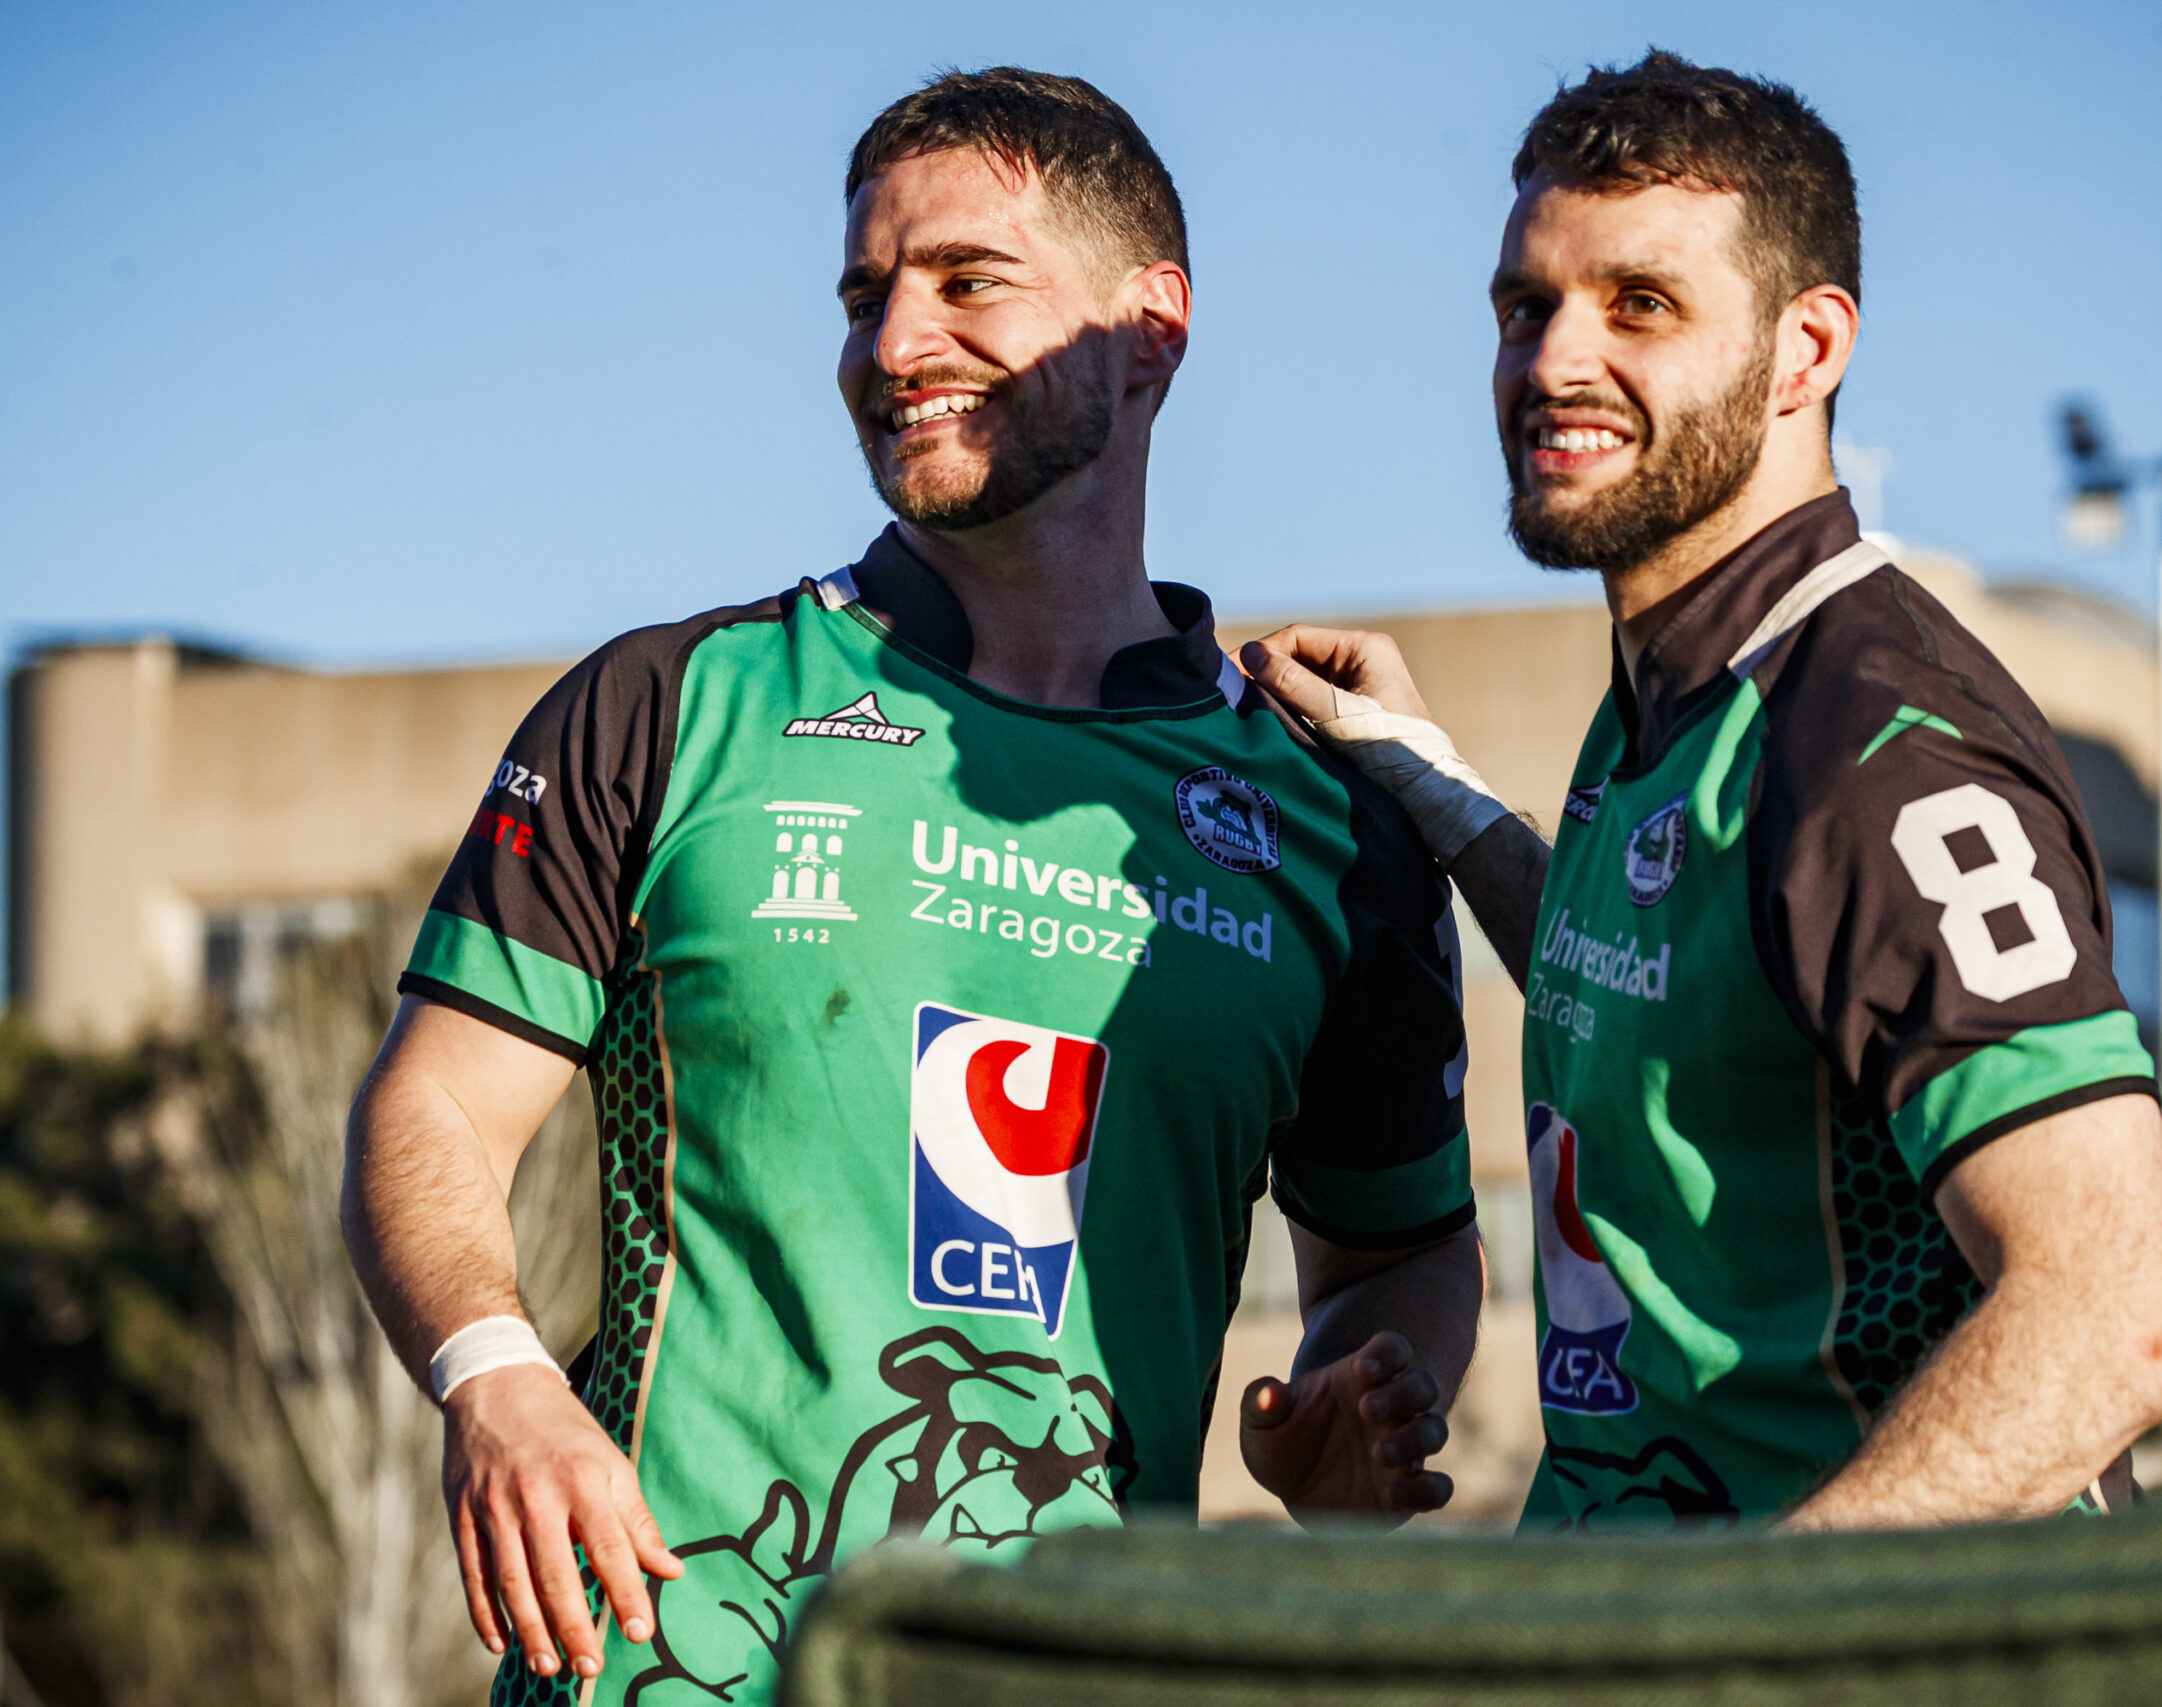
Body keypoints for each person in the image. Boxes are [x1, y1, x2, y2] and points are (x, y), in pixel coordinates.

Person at [343, 68, 1482, 1703]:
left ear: (1149, 329)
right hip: (667, 1669)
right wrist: (495, 1378)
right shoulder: (674, 705)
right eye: (866, 295)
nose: (891, 347)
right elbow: (435, 1112)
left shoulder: (1334, 810)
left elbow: (1405, 1253)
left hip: (1088, 1671)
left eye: (966, 283)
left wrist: (1367, 1410)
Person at [1244, 51, 2162, 1531]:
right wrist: (1436, 792)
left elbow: (2114, 1312)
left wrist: (1743, 1645)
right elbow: (1663, 969)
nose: (1556, 360)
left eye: (1641, 304)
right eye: (1526, 306)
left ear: (1806, 350)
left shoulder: (1879, 740)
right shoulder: (1681, 686)